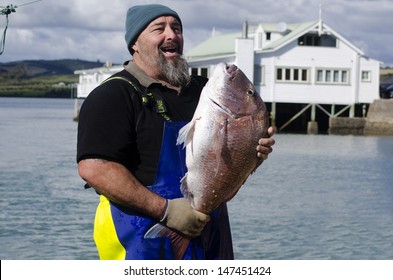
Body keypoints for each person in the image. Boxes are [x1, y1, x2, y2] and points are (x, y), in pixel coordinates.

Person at [77, 4, 275, 260]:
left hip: (210, 234)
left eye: (177, 28)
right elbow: (95, 168)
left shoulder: (203, 91)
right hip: (140, 240)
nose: (172, 35)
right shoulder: (113, 94)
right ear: (135, 43)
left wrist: (252, 154)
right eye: (159, 29)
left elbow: (225, 166)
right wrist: (167, 211)